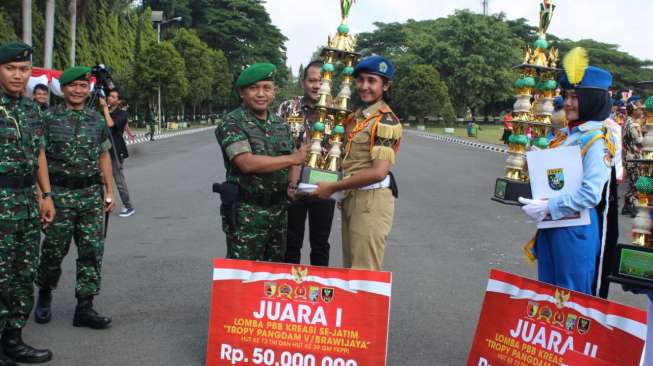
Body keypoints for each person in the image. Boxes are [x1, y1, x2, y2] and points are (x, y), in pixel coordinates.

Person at [519, 48, 616, 295]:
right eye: (567, 96)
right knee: (548, 296)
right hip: (552, 226)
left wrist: (548, 208)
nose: (568, 103)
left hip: (577, 230)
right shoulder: (564, 136)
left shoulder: (597, 141)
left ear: (593, 100)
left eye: (576, 97)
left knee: (571, 301)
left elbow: (590, 194)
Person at [34, 66, 116, 330]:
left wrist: (109, 191)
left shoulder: (96, 120)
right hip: (60, 195)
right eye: (73, 86)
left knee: (92, 251)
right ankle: (45, 293)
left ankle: (85, 306)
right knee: (54, 250)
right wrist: (43, 195)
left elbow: (104, 156)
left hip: (91, 195)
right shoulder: (49, 118)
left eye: (83, 86)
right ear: (64, 89)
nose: (78, 91)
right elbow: (41, 157)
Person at [313, 55, 401, 271]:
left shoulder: (386, 121)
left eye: (372, 81)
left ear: (386, 86)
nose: (364, 86)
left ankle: (371, 306)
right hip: (352, 197)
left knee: (364, 273)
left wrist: (332, 187)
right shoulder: (356, 117)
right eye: (360, 80)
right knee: (351, 269)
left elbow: (378, 172)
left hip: (372, 202)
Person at [215, 63, 307, 261]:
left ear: (274, 92)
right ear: (242, 92)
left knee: (272, 279)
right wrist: (294, 158)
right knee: (242, 277)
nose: (260, 94)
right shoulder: (232, 122)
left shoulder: (280, 124)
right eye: (254, 88)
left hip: (278, 212)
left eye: (266, 88)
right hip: (247, 213)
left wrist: (292, 184)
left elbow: (294, 163)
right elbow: (246, 163)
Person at [0, 41, 55, 365]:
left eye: (24, 70)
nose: (18, 75)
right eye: (10, 68)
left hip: (25, 201)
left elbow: (38, 155)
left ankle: (13, 339)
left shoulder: (32, 110)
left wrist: (46, 195)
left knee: (22, 272)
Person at [277, 60, 335, 266]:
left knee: (320, 244)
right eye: (312, 80)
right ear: (303, 82)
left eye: (321, 81)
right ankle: (289, 293)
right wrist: (288, 183)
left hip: (323, 186)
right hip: (290, 187)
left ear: (330, 84)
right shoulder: (287, 108)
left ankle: (317, 295)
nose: (316, 86)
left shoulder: (338, 113)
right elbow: (277, 145)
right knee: (291, 243)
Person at [106, 88, 135, 217]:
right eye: (109, 96)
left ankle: (128, 206)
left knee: (118, 180)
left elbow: (112, 125)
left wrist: (105, 110)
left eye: (113, 97)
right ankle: (105, 204)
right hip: (103, 150)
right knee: (101, 179)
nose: (109, 98)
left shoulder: (122, 114)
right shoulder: (103, 111)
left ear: (118, 101)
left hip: (116, 151)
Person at [622, 98, 645, 216]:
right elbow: (640, 141)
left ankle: (626, 205)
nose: (642, 111)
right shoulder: (633, 124)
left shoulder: (627, 121)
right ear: (633, 110)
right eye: (640, 108)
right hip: (634, 157)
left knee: (633, 182)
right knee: (637, 183)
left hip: (629, 157)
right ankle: (632, 206)